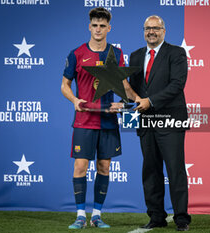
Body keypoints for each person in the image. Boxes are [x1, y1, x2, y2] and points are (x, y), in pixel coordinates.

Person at [61, 7, 138, 229]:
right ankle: (79, 216)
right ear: (89, 26)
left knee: (104, 167)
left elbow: (124, 86)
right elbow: (64, 85)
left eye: (102, 26)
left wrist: (132, 101)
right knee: (80, 167)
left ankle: (96, 216)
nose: (98, 29)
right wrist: (74, 100)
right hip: (84, 121)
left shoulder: (117, 54)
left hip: (108, 121)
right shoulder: (76, 54)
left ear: (109, 28)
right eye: (95, 25)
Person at [129, 15, 191, 231]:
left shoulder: (176, 53)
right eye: (147, 28)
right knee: (151, 170)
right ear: (143, 31)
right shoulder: (135, 56)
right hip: (145, 122)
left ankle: (181, 218)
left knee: (175, 170)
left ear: (164, 31)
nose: (151, 32)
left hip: (170, 120)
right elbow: (133, 91)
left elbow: (177, 84)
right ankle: (156, 216)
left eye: (155, 28)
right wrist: (122, 104)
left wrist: (151, 101)